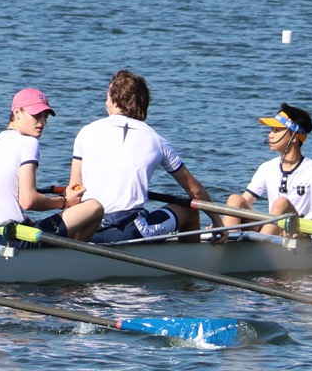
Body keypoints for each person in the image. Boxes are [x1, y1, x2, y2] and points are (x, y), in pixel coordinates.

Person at [66, 69, 216, 244]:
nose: (105, 102)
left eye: (107, 97)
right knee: (190, 209)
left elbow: (74, 192)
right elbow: (195, 190)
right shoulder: (156, 139)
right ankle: (191, 262)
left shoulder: (85, 132)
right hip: (129, 231)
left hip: (88, 229)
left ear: (114, 101)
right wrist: (217, 221)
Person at [0, 88, 102, 247]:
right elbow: (28, 200)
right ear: (17, 112)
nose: (42, 121)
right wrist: (64, 202)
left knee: (30, 221)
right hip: (8, 239)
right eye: (36, 114)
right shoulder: (28, 143)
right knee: (94, 207)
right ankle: (72, 259)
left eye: (45, 116)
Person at [221, 103, 312, 234]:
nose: (270, 135)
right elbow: (243, 203)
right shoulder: (267, 168)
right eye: (271, 130)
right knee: (235, 199)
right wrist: (222, 221)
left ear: (294, 136)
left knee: (281, 204)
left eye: (276, 130)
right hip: (272, 229)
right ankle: (226, 239)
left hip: (298, 234)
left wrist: (303, 232)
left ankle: (259, 250)